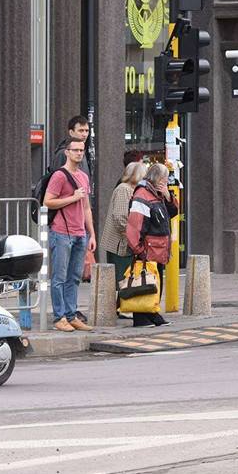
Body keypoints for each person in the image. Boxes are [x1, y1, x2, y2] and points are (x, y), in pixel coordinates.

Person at [43, 137, 96, 332]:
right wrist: (73, 197)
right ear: (67, 152)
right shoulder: (59, 176)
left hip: (80, 233)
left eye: (81, 150)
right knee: (59, 277)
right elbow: (48, 202)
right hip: (61, 232)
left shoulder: (83, 176)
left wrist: (92, 234)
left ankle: (71, 315)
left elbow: (87, 207)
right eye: (75, 150)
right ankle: (59, 317)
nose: (79, 153)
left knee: (74, 277)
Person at [125, 163, 179, 327]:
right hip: (148, 249)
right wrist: (139, 249)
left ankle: (152, 312)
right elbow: (134, 226)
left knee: (155, 282)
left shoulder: (157, 194)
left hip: (157, 249)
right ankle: (141, 317)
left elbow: (173, 212)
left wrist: (168, 196)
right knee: (144, 282)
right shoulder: (142, 194)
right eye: (165, 178)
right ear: (158, 178)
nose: (166, 181)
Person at [100, 161, 148, 320]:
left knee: (126, 274)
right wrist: (133, 236)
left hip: (126, 241)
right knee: (123, 275)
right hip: (120, 242)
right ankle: (124, 308)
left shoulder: (131, 190)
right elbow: (120, 218)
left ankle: (123, 306)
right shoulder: (124, 189)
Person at [50, 115, 93, 180]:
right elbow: (56, 180)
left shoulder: (82, 150)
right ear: (71, 132)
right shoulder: (63, 153)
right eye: (81, 131)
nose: (84, 134)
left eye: (86, 131)